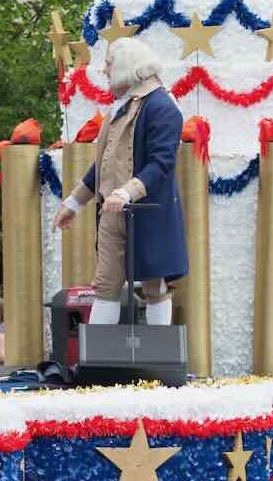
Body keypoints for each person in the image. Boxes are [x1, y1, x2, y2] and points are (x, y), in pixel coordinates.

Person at [54, 36, 187, 327]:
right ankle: (99, 354)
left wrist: (126, 193)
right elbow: (104, 165)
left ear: (127, 65)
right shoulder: (121, 107)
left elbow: (161, 163)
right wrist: (74, 203)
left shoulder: (162, 107)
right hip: (112, 213)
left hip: (148, 212)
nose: (104, 70)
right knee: (105, 285)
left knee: (155, 286)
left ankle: (156, 352)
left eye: (109, 64)